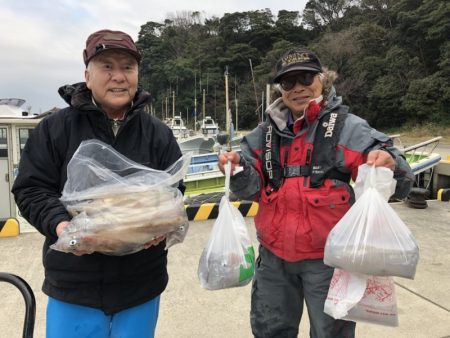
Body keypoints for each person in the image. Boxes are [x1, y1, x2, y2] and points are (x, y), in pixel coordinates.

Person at [218, 47, 414, 338]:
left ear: (323, 80)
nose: (298, 88)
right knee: (269, 330)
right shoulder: (263, 133)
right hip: (273, 259)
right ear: (280, 90)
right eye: (288, 82)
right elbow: (251, 188)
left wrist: (389, 164)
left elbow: (401, 180)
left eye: (306, 78)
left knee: (332, 334)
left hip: (329, 262)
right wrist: (235, 169)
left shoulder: (349, 128)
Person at [12, 29, 184, 338]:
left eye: (127, 67)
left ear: (137, 75)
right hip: (74, 284)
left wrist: (160, 226)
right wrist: (64, 229)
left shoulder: (159, 133)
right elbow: (31, 189)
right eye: (107, 66)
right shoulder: (54, 129)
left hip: (141, 283)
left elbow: (173, 192)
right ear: (87, 75)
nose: (118, 76)